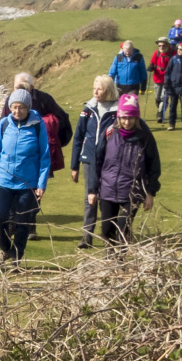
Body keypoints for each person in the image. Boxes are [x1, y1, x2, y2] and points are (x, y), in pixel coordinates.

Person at [0, 73, 71, 239]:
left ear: (32, 86)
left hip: (37, 156)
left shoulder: (44, 99)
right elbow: (3, 123)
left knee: (35, 192)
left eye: (24, 86)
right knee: (11, 189)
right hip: (14, 157)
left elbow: (62, 119)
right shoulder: (10, 100)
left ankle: (30, 226)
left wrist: (52, 138)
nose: (20, 90)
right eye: (18, 87)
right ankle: (12, 224)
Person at [0, 89, 50, 266]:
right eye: (13, 107)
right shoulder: (4, 124)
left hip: (27, 183)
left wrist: (41, 184)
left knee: (23, 222)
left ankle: (16, 255)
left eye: (21, 107)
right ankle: (5, 248)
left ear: (28, 107)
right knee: (1, 217)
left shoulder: (37, 125)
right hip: (5, 180)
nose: (17, 111)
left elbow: (44, 156)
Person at [88, 94, 161, 248]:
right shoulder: (109, 133)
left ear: (137, 118)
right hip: (108, 188)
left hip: (133, 191)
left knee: (123, 229)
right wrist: (93, 190)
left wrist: (150, 192)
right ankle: (110, 259)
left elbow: (154, 165)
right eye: (124, 118)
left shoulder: (145, 137)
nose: (127, 122)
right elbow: (97, 162)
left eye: (131, 118)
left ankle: (119, 263)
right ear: (119, 116)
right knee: (107, 230)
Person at [70, 75, 119, 249]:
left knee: (107, 198)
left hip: (111, 161)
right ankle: (87, 236)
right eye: (94, 88)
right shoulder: (88, 109)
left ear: (108, 90)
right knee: (89, 198)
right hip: (89, 160)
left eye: (100, 89)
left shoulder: (118, 110)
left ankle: (109, 234)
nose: (95, 92)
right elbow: (78, 137)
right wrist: (74, 165)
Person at [147, 37, 176, 124]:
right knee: (157, 98)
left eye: (163, 45)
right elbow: (152, 62)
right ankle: (160, 108)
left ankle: (160, 114)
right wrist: (151, 67)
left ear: (167, 45)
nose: (161, 47)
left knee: (164, 97)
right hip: (157, 78)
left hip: (168, 79)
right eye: (159, 45)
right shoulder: (157, 53)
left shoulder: (172, 53)